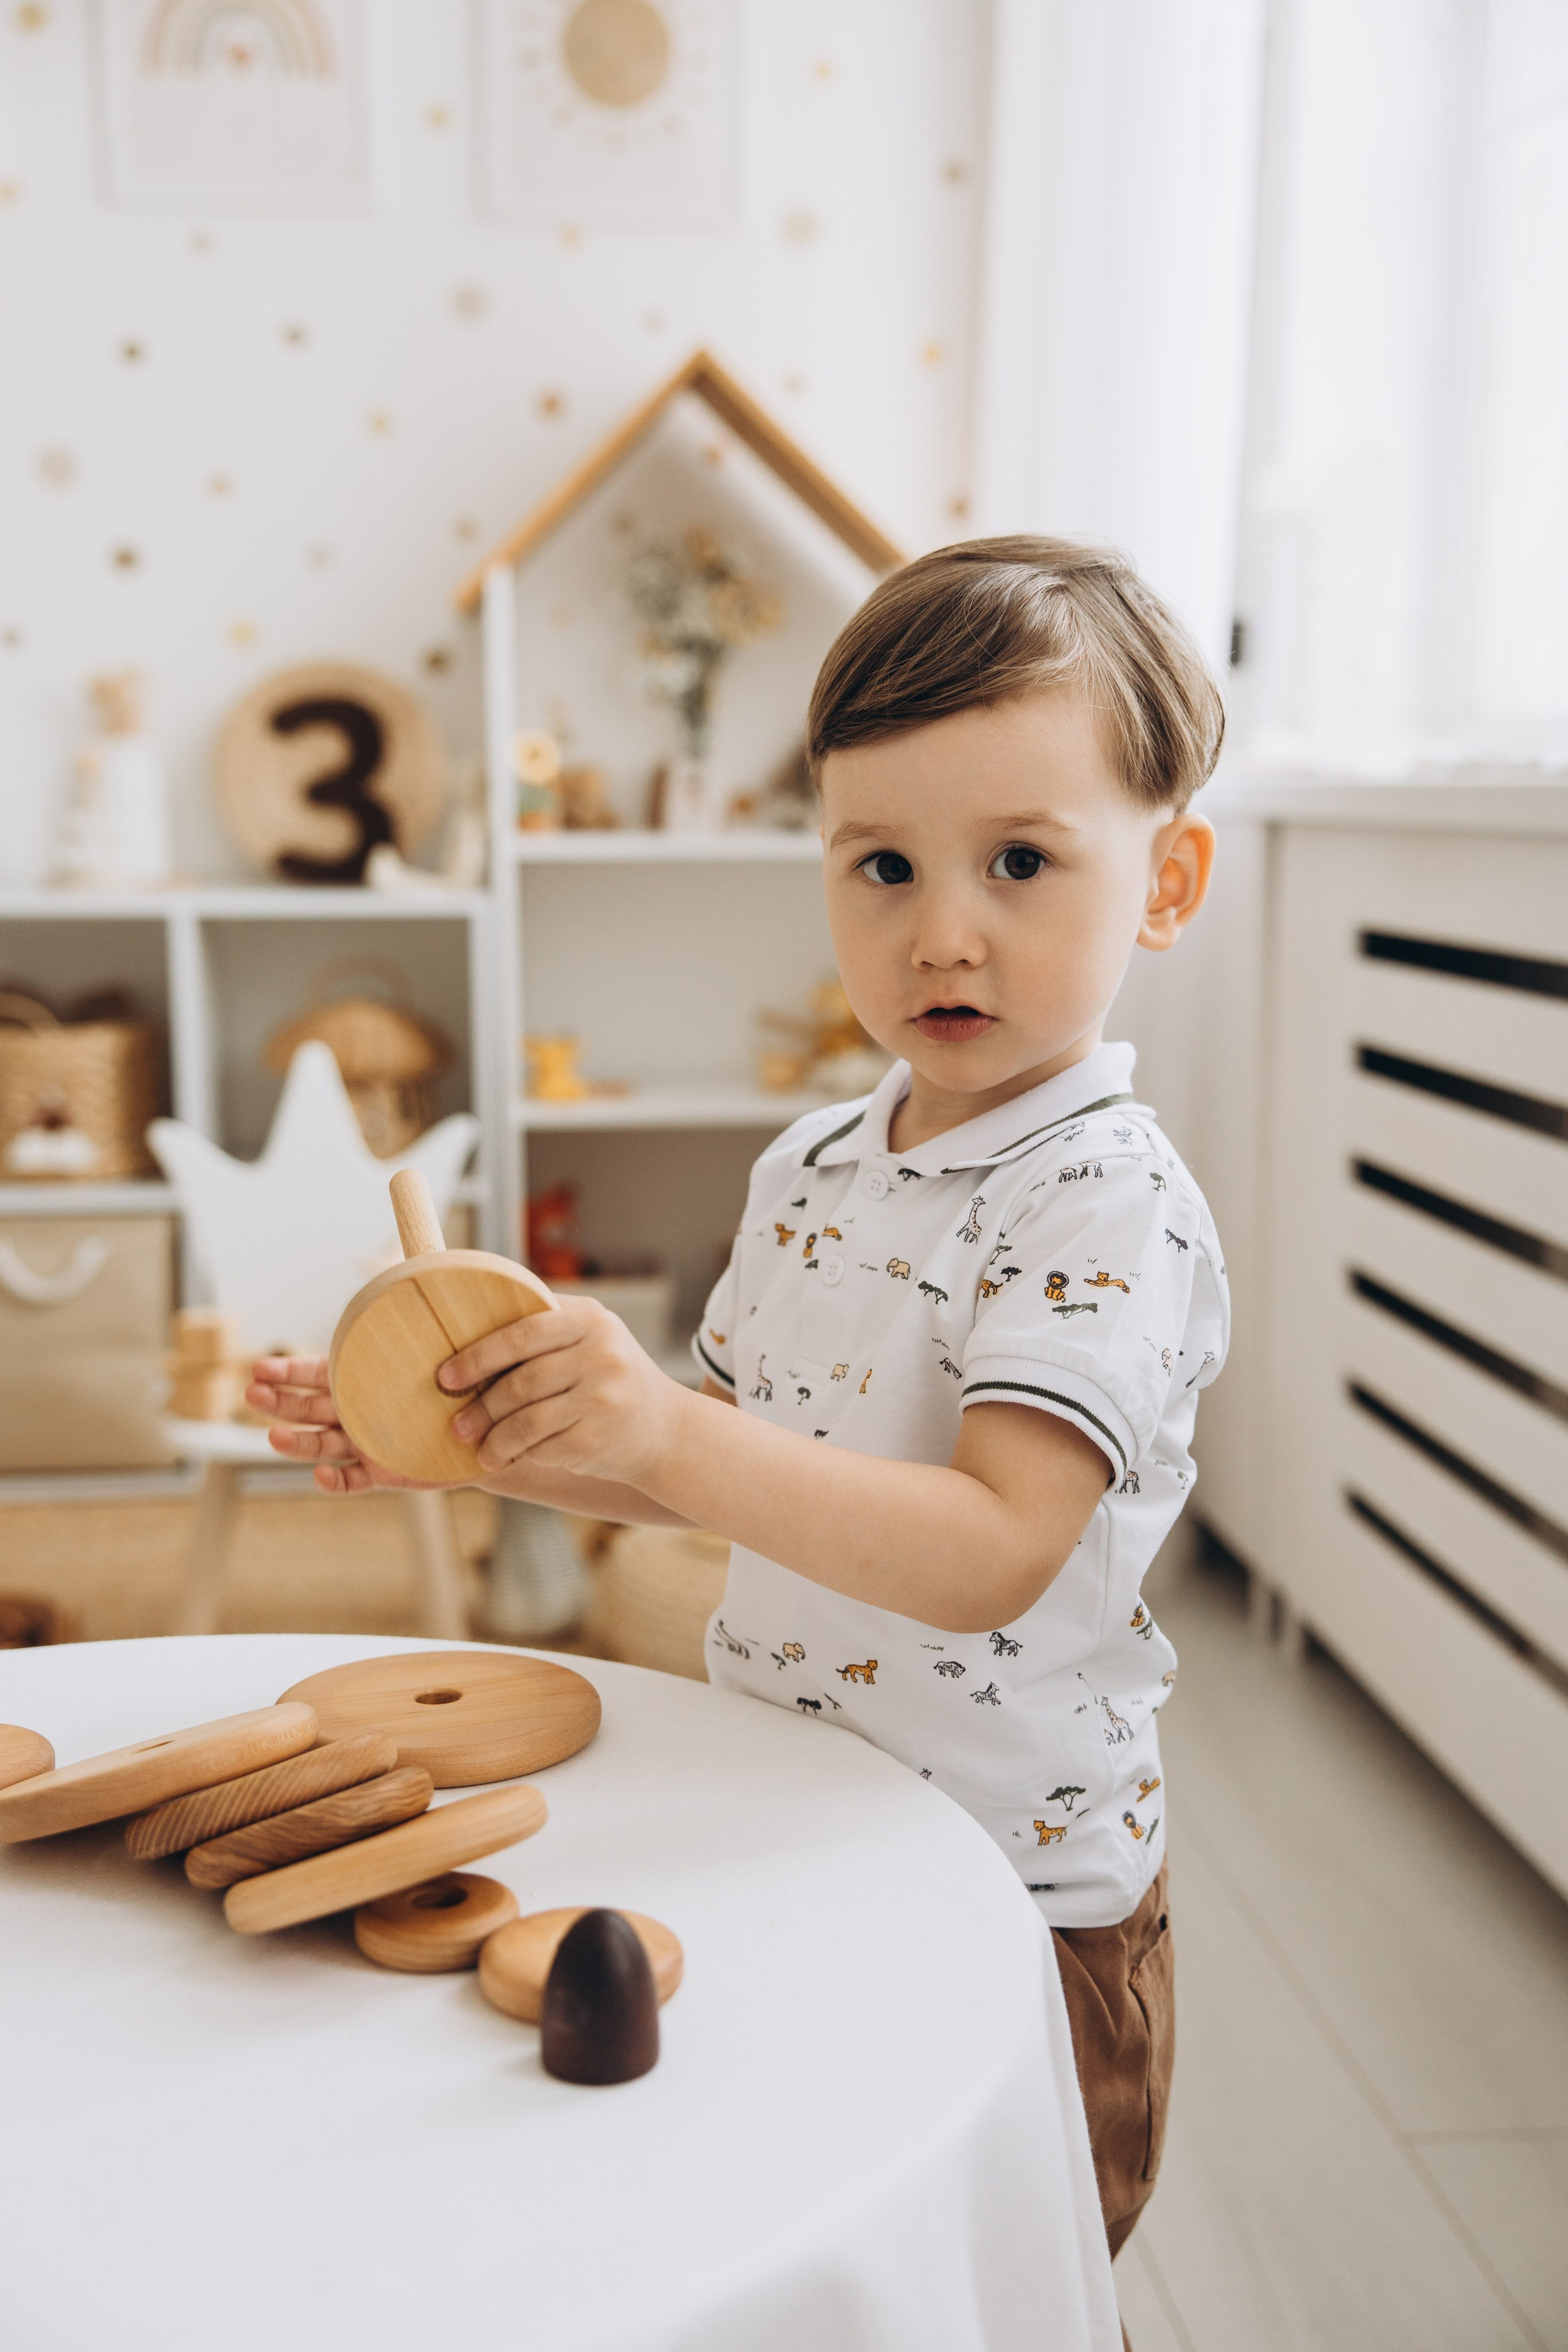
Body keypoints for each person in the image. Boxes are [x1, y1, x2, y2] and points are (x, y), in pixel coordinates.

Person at [252, 535, 1228, 2261]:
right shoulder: (813, 1167)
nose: (944, 930)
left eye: (1021, 861)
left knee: (982, 2279)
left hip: (1015, 1893)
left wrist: (665, 1430)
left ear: (1165, 882)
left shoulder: (1104, 1203)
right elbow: (716, 1470)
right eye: (880, 864)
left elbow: (1000, 1544)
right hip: (801, 1830)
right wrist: (497, 1443)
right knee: (795, 2239)